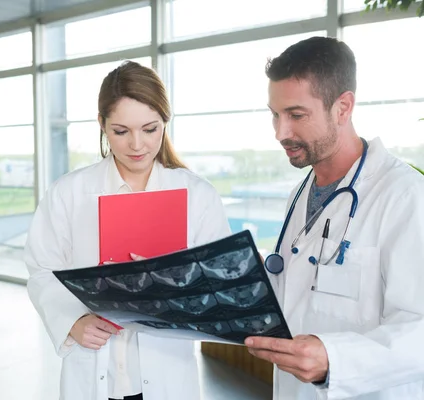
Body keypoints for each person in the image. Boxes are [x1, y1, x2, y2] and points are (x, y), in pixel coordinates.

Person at [23, 60, 231, 400]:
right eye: (121, 131)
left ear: (166, 120)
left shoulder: (198, 195)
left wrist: (173, 282)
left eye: (150, 129)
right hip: (94, 369)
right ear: (102, 125)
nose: (137, 145)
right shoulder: (69, 193)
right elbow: (42, 269)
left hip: (166, 373)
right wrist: (73, 321)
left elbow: (220, 284)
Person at [244, 36, 424, 399]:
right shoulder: (300, 193)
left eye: (296, 115)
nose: (281, 132)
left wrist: (335, 358)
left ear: (343, 107)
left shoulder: (405, 197)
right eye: (275, 115)